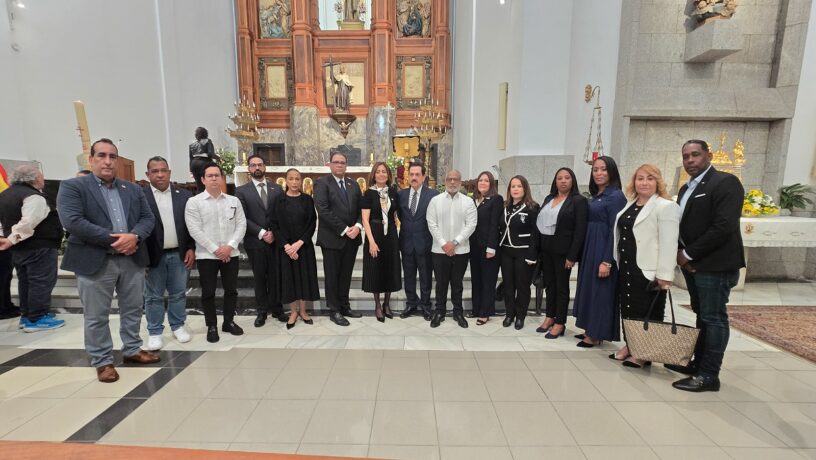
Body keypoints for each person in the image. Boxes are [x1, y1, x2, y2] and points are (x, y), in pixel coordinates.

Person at [57, 138, 159, 383]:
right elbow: (73, 221)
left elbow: (147, 218)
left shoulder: (132, 189)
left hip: (131, 258)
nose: (108, 161)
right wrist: (115, 239)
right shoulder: (73, 187)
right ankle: (102, 360)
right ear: (91, 159)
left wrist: (134, 236)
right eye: (101, 155)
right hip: (95, 260)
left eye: (113, 156)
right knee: (96, 315)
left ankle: (132, 349)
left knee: (133, 309)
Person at [669, 139, 745, 392]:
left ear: (708, 156)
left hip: (715, 265)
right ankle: (698, 365)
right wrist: (681, 253)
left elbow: (724, 226)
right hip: (695, 265)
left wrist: (688, 253)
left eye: (695, 154)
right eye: (686, 156)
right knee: (702, 315)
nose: (690, 160)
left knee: (714, 318)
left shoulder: (725, 182)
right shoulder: (686, 188)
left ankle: (709, 375)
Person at [612, 164, 680, 368]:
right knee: (629, 308)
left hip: (648, 269)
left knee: (647, 309)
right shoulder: (631, 204)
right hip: (627, 265)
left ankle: (644, 352)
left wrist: (665, 274)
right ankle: (631, 345)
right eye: (640, 178)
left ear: (657, 182)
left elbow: (669, 243)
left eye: (650, 178)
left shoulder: (665, 206)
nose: (644, 183)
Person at [185, 163, 246, 343]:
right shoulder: (194, 202)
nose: (214, 178)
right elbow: (194, 230)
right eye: (210, 176)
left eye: (217, 175)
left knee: (231, 290)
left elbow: (241, 225)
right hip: (207, 255)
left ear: (222, 178)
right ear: (203, 180)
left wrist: (229, 247)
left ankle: (228, 322)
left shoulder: (233, 201)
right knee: (208, 292)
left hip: (230, 254)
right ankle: (211, 325)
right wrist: (216, 250)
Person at [0, 165, 64, 331]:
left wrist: (9, 240)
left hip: (19, 249)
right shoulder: (33, 196)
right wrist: (12, 239)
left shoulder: (5, 194)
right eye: (41, 176)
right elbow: (28, 223)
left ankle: (27, 315)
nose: (43, 179)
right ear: (35, 178)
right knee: (41, 281)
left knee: (26, 281)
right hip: (39, 246)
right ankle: (37, 318)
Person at [572, 157, 627, 347]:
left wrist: (607, 260)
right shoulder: (597, 195)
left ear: (611, 171)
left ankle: (596, 333)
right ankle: (590, 328)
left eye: (603, 169)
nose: (599, 173)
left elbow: (615, 230)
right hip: (590, 247)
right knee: (590, 289)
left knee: (600, 291)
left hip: (603, 248)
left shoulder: (616, 196)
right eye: (595, 169)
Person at [141, 156, 195, 351]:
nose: (160, 174)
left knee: (178, 293)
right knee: (153, 296)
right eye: (155, 171)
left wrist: (191, 247)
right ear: (148, 174)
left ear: (169, 172)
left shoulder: (184, 195)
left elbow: (191, 225)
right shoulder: (140, 196)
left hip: (179, 254)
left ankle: (178, 325)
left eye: (163, 170)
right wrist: (141, 259)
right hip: (152, 256)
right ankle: (155, 331)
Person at [535, 168, 588, 341]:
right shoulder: (549, 198)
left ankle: (560, 322)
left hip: (563, 252)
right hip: (546, 249)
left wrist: (572, 255)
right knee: (550, 285)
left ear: (572, 180)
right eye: (559, 178)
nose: (563, 181)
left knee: (562, 288)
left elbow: (580, 231)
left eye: (567, 178)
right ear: (555, 181)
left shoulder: (578, 201)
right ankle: (550, 316)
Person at [236, 154, 287, 327]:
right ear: (249, 169)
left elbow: (282, 213)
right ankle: (262, 311)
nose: (257, 168)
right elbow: (242, 217)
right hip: (255, 241)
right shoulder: (241, 191)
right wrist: (262, 232)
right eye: (253, 165)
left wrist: (273, 232)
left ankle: (277, 309)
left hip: (275, 241)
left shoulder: (277, 189)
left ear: (264, 167)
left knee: (275, 276)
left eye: (260, 164)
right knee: (259, 277)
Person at [314, 151, 363, 326]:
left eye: (343, 162)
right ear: (330, 164)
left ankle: (344, 306)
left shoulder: (353, 184)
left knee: (345, 275)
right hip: (332, 238)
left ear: (346, 165)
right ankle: (334, 310)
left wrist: (358, 226)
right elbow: (323, 209)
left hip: (352, 238)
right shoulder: (322, 183)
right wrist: (344, 229)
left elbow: (361, 209)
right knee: (332, 276)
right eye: (336, 162)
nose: (340, 165)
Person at [426, 169, 477, 328]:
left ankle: (458, 312)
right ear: (445, 181)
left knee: (457, 284)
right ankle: (439, 312)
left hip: (460, 251)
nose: (453, 182)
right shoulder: (435, 201)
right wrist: (444, 243)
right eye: (450, 179)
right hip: (439, 250)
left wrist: (454, 243)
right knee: (441, 284)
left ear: (460, 182)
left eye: (456, 179)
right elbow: (431, 224)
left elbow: (471, 225)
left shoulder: (468, 202)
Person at [269, 168, 319, 329]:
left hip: (303, 247)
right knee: (289, 280)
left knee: (304, 279)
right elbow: (274, 224)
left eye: (297, 179)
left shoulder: (307, 200)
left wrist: (299, 244)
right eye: (291, 179)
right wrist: (287, 246)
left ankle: (303, 311)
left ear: (301, 180)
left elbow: (312, 223)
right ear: (286, 180)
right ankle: (293, 312)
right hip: (285, 248)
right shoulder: (278, 200)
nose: (294, 182)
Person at [360, 162, 402, 322]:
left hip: (390, 233)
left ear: (388, 175)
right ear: (374, 175)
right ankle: (377, 305)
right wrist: (371, 242)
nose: (381, 174)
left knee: (390, 268)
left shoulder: (393, 192)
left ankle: (386, 304)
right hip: (375, 233)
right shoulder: (368, 194)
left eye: (384, 171)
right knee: (375, 268)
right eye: (378, 171)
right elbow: (365, 220)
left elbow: (396, 214)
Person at [397, 163, 439, 319]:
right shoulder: (401, 194)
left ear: (423, 177)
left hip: (425, 242)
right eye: (411, 174)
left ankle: (426, 305)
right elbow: (401, 216)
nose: (414, 177)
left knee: (425, 276)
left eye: (417, 174)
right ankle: (411, 303)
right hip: (406, 242)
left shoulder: (433, 195)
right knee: (408, 276)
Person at [498, 175, 540, 330]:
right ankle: (509, 314)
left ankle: (520, 315)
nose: (515, 189)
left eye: (519, 186)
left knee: (522, 286)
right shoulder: (505, 206)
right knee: (508, 285)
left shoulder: (532, 207)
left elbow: (536, 233)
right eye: (513, 186)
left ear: (525, 188)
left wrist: (532, 255)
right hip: (506, 252)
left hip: (523, 252)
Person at [469, 171, 503, 325]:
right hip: (474, 247)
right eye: (480, 180)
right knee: (476, 279)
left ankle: (485, 312)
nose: (483, 183)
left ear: (491, 184)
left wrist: (491, 247)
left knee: (488, 281)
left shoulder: (496, 199)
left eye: (486, 180)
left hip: (489, 248)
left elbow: (495, 224)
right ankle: (476, 309)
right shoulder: (473, 200)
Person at [188, 127, 219, 193]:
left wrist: (191, 169)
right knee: (207, 184)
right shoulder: (208, 141)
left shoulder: (192, 144)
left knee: (199, 185)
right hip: (204, 163)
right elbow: (210, 154)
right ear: (205, 133)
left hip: (194, 164)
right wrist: (219, 158)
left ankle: (199, 196)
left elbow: (191, 157)